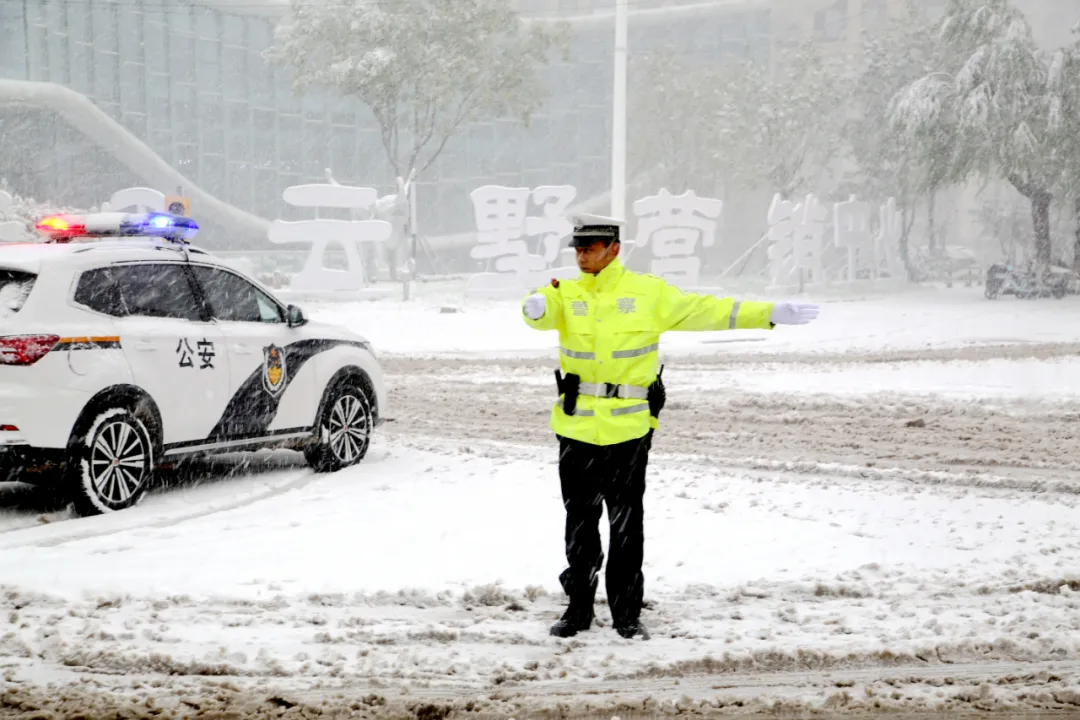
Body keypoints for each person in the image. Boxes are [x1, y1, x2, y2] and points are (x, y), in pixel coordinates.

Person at [521, 213, 820, 640]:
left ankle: (626, 613)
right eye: (578, 248)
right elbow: (541, 308)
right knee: (580, 525)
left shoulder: (647, 293)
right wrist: (533, 307)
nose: (581, 255)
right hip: (577, 429)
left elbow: (709, 311)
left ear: (614, 249)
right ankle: (578, 609)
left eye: (589, 248)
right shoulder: (565, 293)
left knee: (627, 525)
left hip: (629, 429)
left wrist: (768, 313)